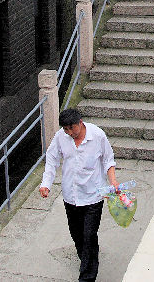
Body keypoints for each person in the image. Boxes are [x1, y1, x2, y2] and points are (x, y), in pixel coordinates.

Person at [39, 108, 118, 282]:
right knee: (77, 235)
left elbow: (108, 160)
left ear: (80, 123)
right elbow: (52, 159)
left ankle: (87, 276)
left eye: (71, 129)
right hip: (71, 196)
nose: (69, 133)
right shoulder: (61, 137)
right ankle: (88, 260)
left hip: (93, 196)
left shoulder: (97, 135)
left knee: (89, 235)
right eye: (66, 129)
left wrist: (112, 181)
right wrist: (46, 184)